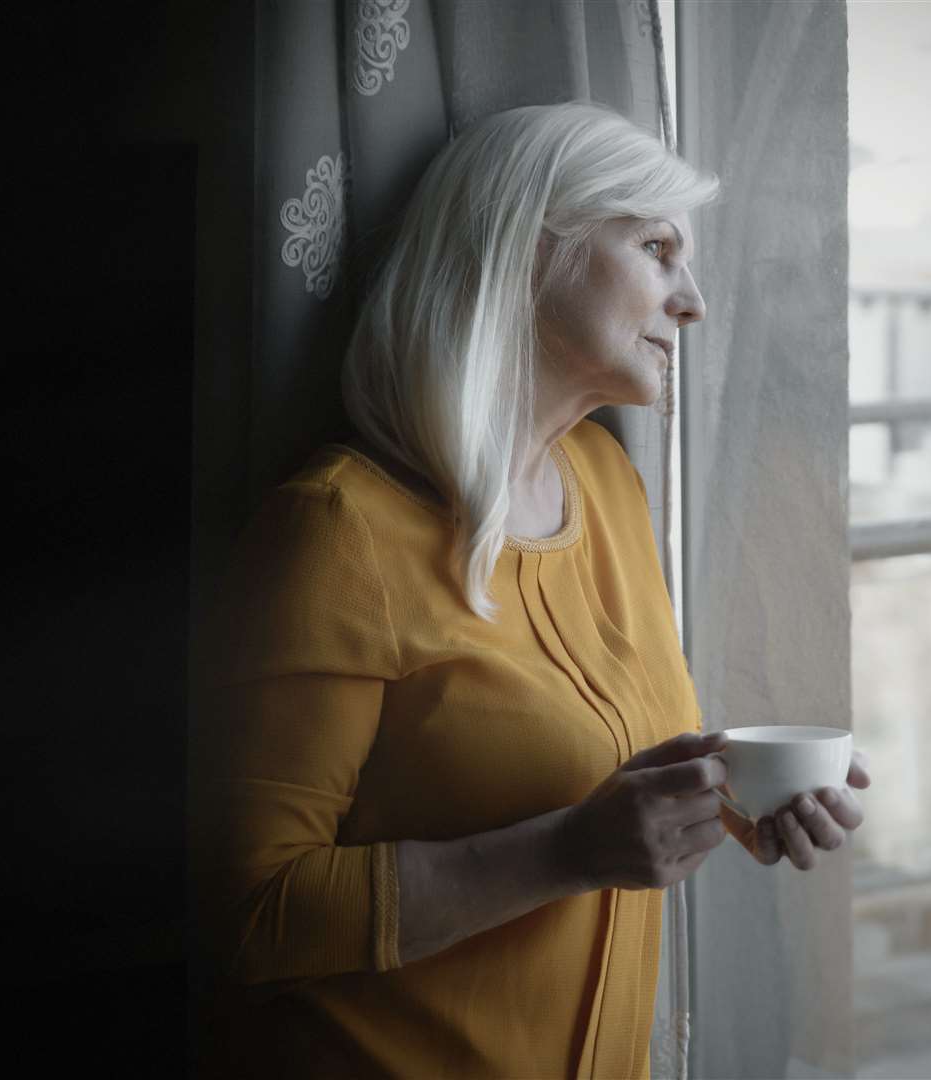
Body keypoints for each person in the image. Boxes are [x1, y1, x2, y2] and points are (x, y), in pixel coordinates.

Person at [188, 101, 873, 1079]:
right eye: (657, 249)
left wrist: (730, 799)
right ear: (528, 246)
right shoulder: (337, 531)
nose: (694, 301)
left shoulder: (605, 485)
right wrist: (566, 853)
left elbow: (584, 768)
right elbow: (245, 918)